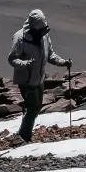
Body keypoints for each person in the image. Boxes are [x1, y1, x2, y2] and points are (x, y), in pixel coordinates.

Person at [8, 8, 71, 143]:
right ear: (33, 27)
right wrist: (24, 63)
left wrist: (63, 62)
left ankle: (24, 132)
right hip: (26, 79)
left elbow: (50, 55)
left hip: (39, 78)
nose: (43, 32)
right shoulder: (20, 38)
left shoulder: (44, 36)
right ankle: (24, 136)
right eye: (40, 30)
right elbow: (12, 59)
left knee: (35, 107)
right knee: (33, 108)